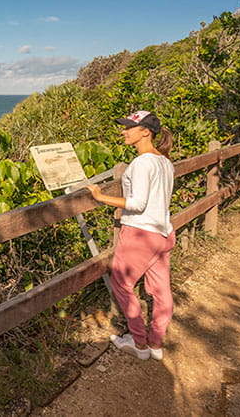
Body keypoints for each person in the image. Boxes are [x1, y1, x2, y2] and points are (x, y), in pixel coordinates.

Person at [85, 111, 176, 361]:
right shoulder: (164, 161)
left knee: (122, 285)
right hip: (163, 232)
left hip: (140, 234)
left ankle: (139, 344)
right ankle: (155, 343)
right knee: (161, 290)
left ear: (146, 131)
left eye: (129, 128)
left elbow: (137, 203)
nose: (123, 131)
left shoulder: (142, 162)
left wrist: (100, 197)